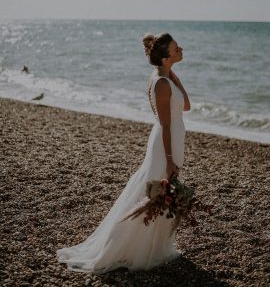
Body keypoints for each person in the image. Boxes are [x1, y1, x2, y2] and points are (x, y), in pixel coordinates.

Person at [56, 32, 190, 273]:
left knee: (161, 192)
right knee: (153, 190)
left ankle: (155, 245)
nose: (181, 49)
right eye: (176, 47)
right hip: (164, 143)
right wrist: (169, 160)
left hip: (174, 138)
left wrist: (172, 72)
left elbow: (187, 106)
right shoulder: (160, 83)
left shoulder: (165, 78)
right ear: (165, 56)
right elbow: (165, 124)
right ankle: (127, 246)